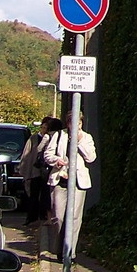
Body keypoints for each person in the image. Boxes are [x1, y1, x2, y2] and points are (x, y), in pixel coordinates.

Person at [43, 111, 97, 259]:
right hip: (60, 180)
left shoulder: (86, 137)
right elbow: (47, 155)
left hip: (78, 182)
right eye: (73, 123)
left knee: (74, 218)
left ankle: (69, 253)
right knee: (58, 217)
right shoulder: (59, 135)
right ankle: (60, 249)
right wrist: (57, 161)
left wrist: (79, 141)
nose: (76, 126)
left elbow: (91, 157)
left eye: (79, 124)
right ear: (68, 123)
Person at [19, 116, 58, 226]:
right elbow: (28, 154)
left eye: (46, 127)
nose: (44, 129)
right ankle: (31, 217)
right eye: (43, 127)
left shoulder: (52, 137)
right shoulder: (34, 138)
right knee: (33, 194)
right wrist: (25, 169)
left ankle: (44, 216)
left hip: (46, 170)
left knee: (45, 194)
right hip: (36, 170)